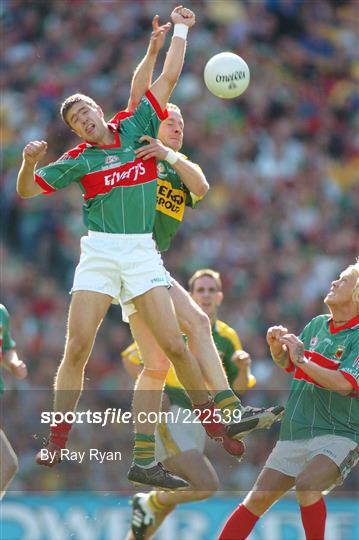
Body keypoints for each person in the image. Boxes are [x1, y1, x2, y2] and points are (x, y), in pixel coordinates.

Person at [16, 6, 237, 490]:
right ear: (75, 131)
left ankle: (212, 420)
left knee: (177, 346)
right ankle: (57, 435)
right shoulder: (77, 160)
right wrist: (28, 162)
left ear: (99, 108)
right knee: (76, 348)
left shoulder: (136, 127)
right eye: (75, 120)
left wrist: (180, 29)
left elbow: (171, 76)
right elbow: (27, 192)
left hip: (140, 253)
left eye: (86, 111)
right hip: (99, 252)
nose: (84, 120)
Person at [120, 18, 285, 485]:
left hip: (143, 264)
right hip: (129, 257)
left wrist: (171, 155)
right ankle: (227, 411)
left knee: (156, 364)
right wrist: (170, 40)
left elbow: (203, 185)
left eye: (179, 125)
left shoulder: (177, 166)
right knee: (190, 324)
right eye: (168, 121)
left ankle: (145, 457)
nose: (174, 127)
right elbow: (142, 94)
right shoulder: (137, 148)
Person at [123, 269, 283, 540]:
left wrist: (243, 370)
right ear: (189, 295)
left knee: (169, 499)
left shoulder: (227, 336)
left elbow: (238, 388)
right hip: (175, 413)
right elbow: (130, 357)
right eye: (200, 290)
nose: (206, 295)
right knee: (206, 484)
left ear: (219, 297)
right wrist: (153, 386)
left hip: (200, 423)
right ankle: (148, 502)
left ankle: (146, 509)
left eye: (211, 290)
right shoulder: (172, 324)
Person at [219, 260, 359, 540]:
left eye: (343, 280)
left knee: (307, 486)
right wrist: (277, 349)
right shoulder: (317, 325)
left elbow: (345, 384)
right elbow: (290, 365)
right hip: (295, 431)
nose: (334, 283)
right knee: (255, 500)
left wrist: (302, 359)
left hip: (339, 435)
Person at [0, 304, 28, 500]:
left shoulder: (1, 313)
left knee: (7, 465)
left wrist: (13, 362)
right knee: (6, 462)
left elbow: (7, 347)